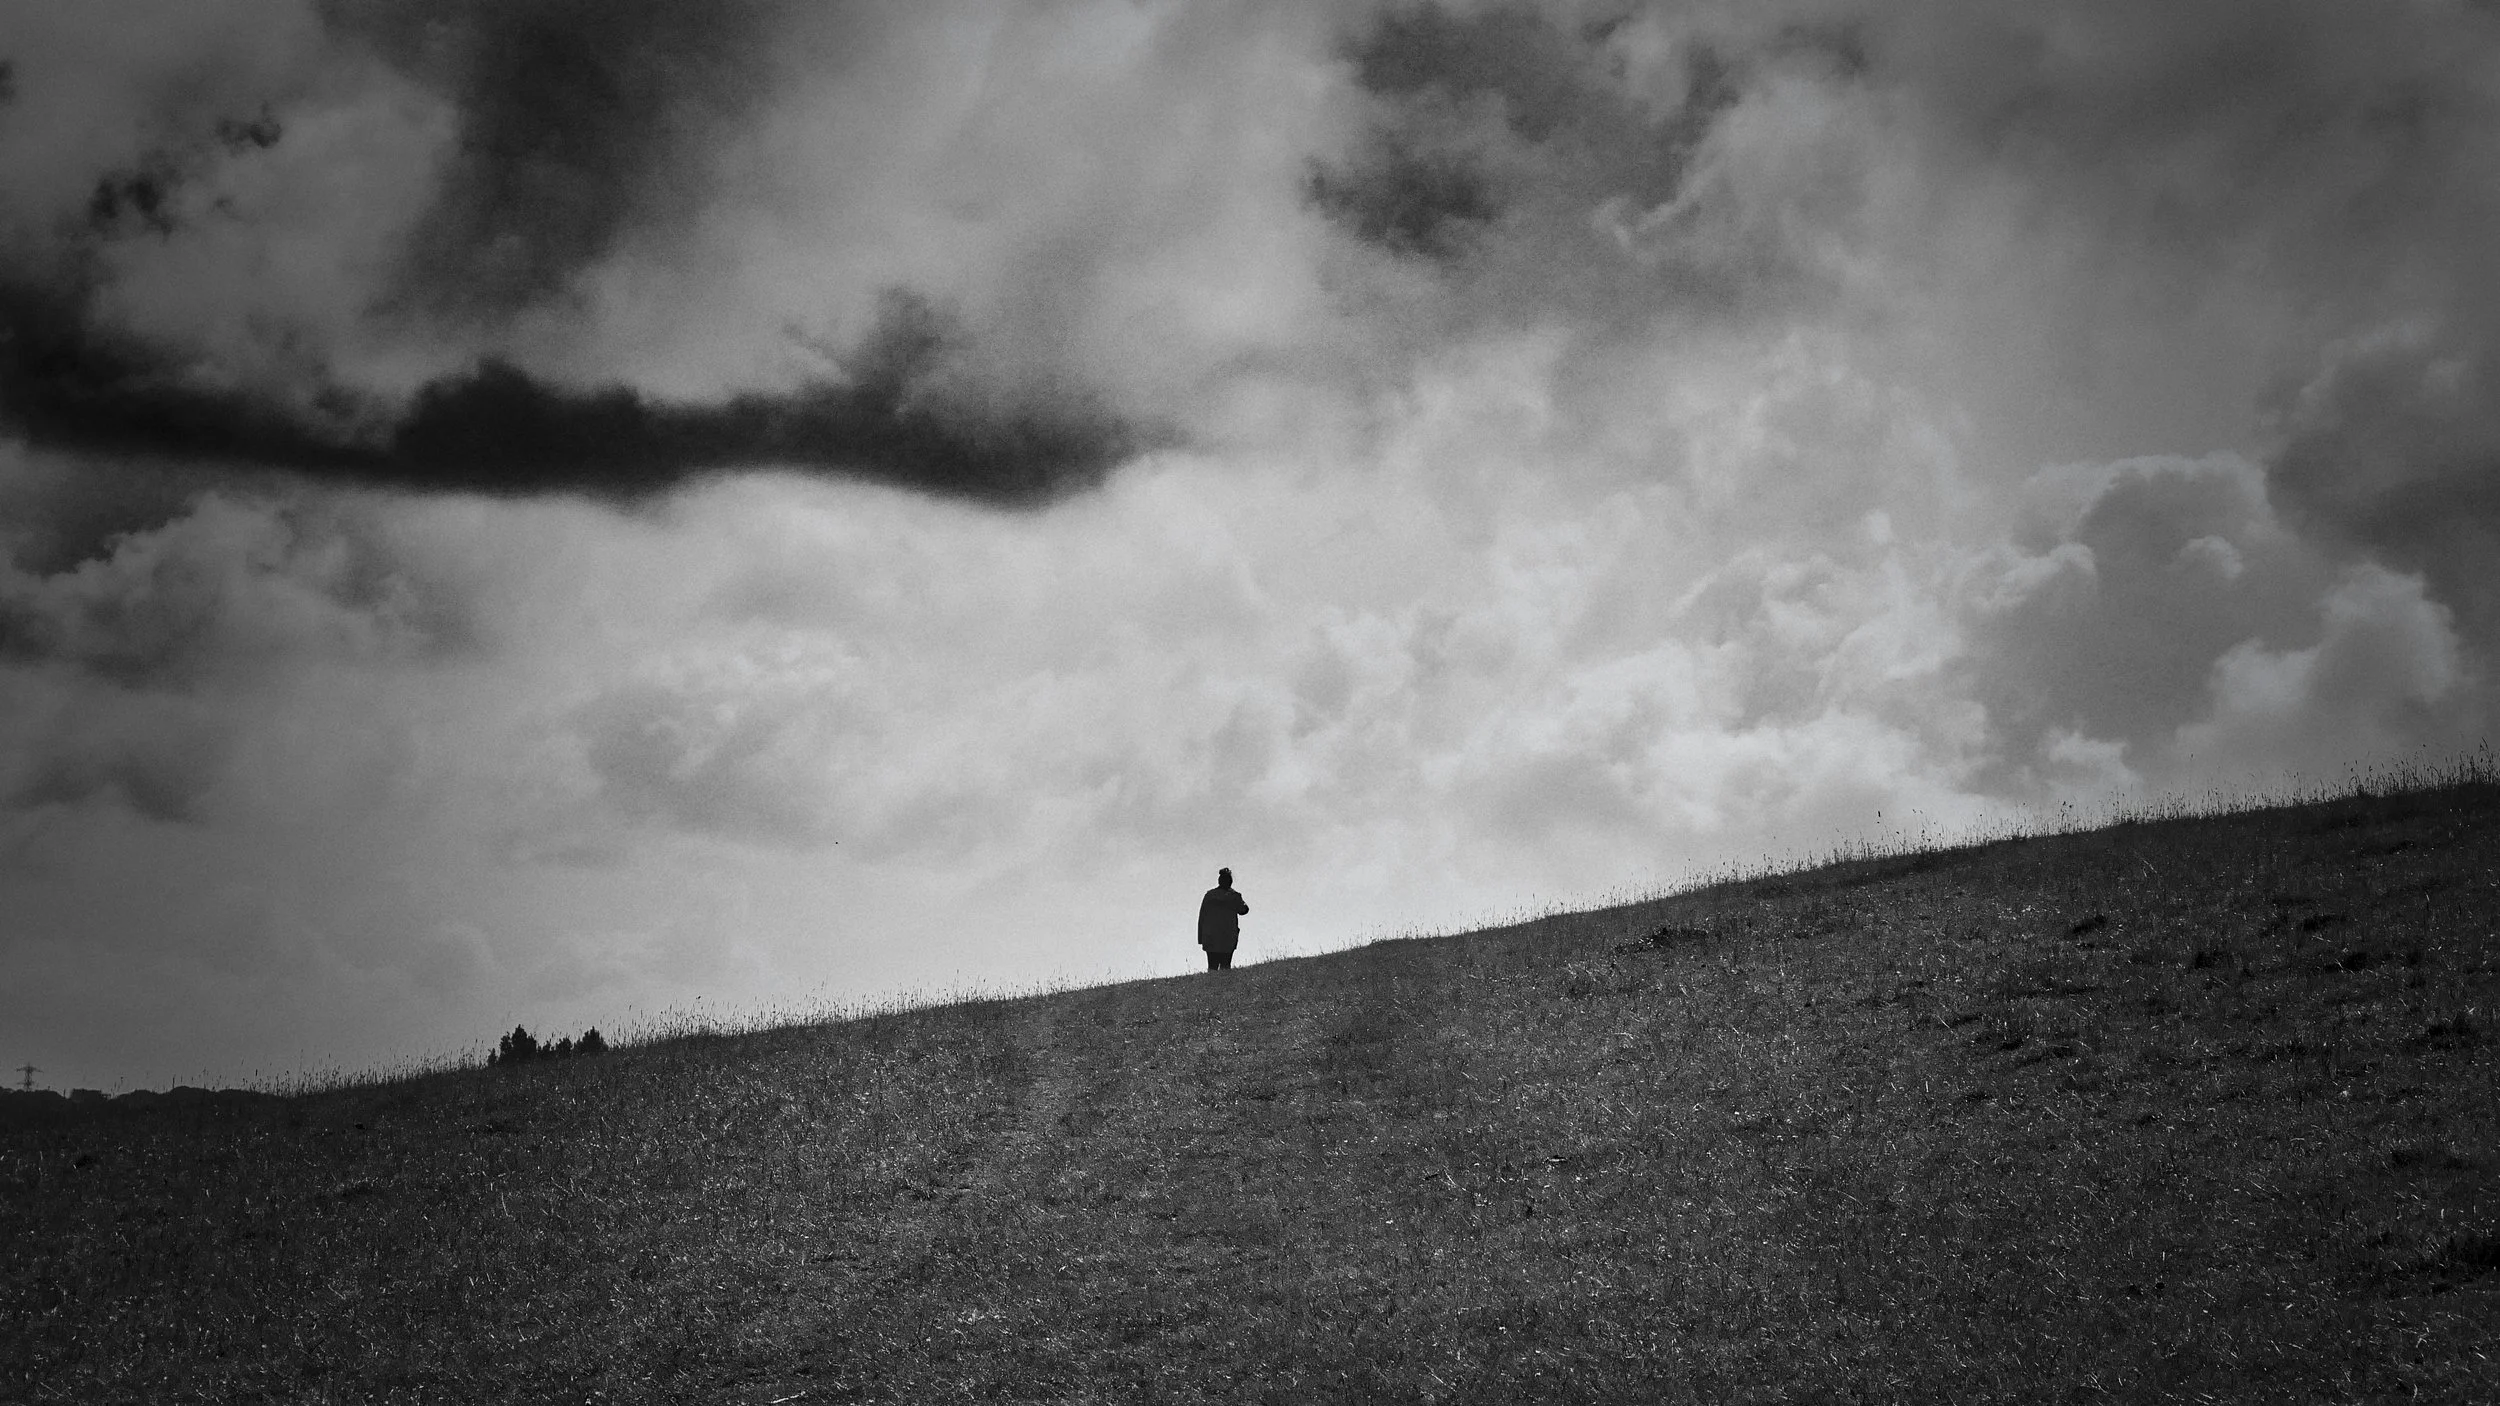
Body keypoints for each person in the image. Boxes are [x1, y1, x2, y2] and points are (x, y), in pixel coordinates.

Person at [1196, 867, 1248, 971]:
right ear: (1230, 882)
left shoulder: (1209, 896)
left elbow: (1202, 916)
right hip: (1227, 936)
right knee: (1225, 965)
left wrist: (1201, 937)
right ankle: (1224, 986)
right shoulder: (1234, 896)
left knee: (1212, 967)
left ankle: (1211, 986)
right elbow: (1244, 910)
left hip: (1211, 936)